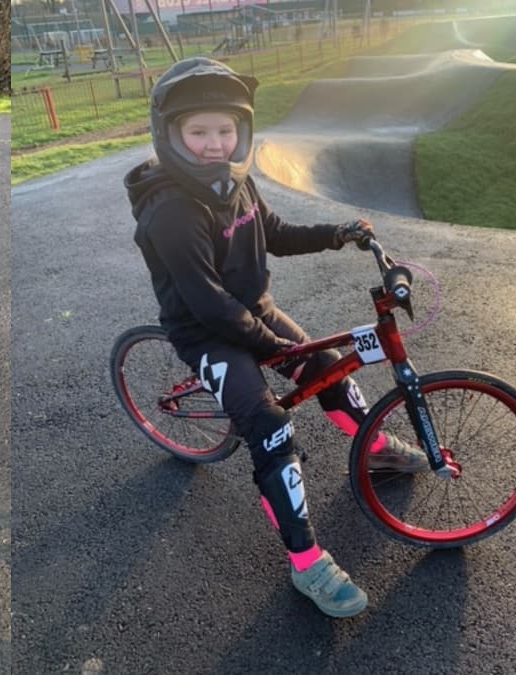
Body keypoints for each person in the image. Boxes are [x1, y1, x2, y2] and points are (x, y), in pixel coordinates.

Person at [123, 57, 429, 618]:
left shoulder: (236, 183)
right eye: (199, 132)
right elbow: (209, 304)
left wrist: (338, 234)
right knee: (269, 426)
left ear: (241, 131)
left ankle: (377, 450)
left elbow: (277, 234)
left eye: (225, 130)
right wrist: (271, 347)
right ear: (171, 135)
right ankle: (306, 561)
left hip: (254, 311)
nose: (215, 144)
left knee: (330, 368)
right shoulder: (171, 211)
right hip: (205, 335)